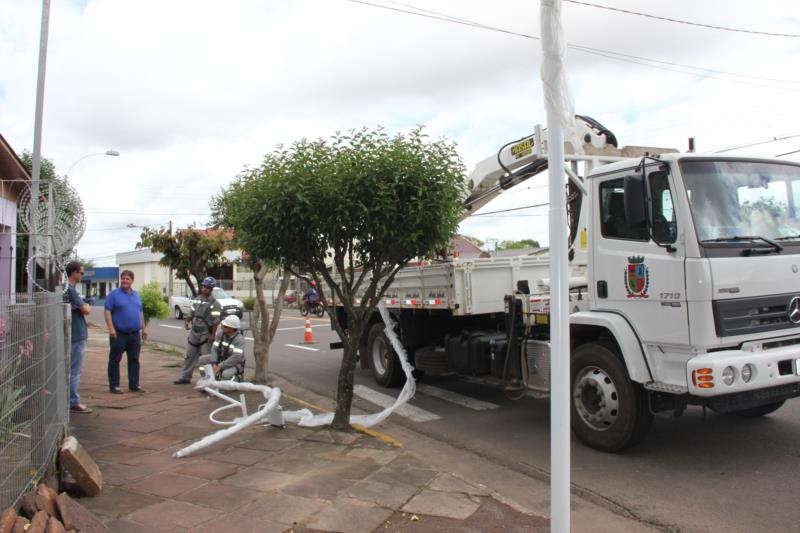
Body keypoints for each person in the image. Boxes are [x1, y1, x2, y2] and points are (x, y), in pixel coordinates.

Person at [104, 270, 147, 394]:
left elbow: (140, 312)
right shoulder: (114, 295)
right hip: (119, 333)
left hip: (134, 334)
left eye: (127, 279)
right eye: (123, 278)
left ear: (132, 281)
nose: (124, 281)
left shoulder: (136, 295)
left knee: (134, 359)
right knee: (115, 359)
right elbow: (107, 311)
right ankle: (114, 385)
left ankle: (134, 384)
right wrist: (111, 328)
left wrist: (143, 328)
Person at [174, 276, 222, 384]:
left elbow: (215, 321)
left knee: (205, 358)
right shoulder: (197, 300)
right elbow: (192, 313)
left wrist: (213, 335)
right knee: (189, 355)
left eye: (207, 287)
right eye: (204, 287)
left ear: (211, 289)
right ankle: (185, 377)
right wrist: (187, 321)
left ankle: (208, 379)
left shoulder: (214, 303)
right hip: (194, 332)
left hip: (206, 334)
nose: (205, 289)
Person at [63, 261, 92, 413]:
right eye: (81, 272)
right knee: (75, 369)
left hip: (73, 333)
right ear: (74, 273)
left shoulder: (66, 289)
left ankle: (68, 398)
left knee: (70, 368)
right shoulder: (70, 291)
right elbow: (86, 309)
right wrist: (86, 306)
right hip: (76, 335)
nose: (82, 275)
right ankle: (73, 401)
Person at [198, 314, 245, 381]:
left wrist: (220, 366)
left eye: (225, 326)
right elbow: (214, 349)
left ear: (232, 328)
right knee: (202, 359)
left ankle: (236, 380)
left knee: (225, 374)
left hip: (234, 363)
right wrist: (214, 363)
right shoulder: (220, 334)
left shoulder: (239, 340)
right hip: (221, 358)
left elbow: (236, 357)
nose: (222, 327)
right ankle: (207, 379)